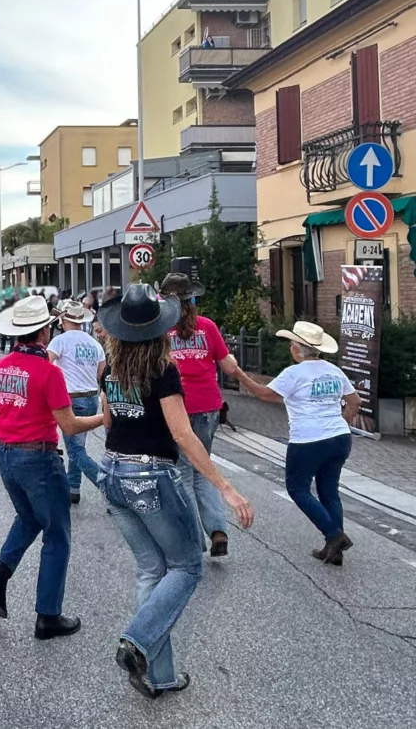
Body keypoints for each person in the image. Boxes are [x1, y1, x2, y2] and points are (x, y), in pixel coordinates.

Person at [95, 285, 254, 698]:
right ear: (158, 330)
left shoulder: (109, 370)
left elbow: (110, 425)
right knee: (187, 567)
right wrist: (226, 488)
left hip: (112, 473)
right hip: (150, 476)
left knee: (152, 570)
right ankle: (136, 641)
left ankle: (160, 674)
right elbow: (183, 435)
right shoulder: (163, 373)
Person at [0, 295, 104, 639]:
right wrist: (104, 418)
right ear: (44, 333)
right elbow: (71, 426)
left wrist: (3, 449)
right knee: (57, 534)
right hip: (40, 457)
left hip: (6, 454)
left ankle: (0, 574)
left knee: (30, 517)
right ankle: (48, 615)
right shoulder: (49, 373)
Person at [236, 321, 359, 565]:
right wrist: (341, 423)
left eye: (292, 343)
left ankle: (334, 536)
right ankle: (334, 549)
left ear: (297, 349)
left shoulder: (294, 373)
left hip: (308, 439)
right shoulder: (333, 370)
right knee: (329, 490)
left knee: (298, 488)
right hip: (339, 438)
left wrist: (238, 373)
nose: (291, 347)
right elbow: (354, 401)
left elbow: (264, 394)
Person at [159, 273, 242, 557]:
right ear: (192, 300)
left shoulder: (161, 331)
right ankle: (218, 529)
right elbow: (228, 366)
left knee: (182, 473)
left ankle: (192, 538)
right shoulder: (207, 327)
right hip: (209, 408)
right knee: (203, 469)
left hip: (177, 408)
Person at [47, 300, 107, 504]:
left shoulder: (60, 341)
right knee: (78, 447)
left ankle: (108, 486)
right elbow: (102, 374)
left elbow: (46, 364)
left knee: (75, 450)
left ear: (63, 320)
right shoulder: (94, 343)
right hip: (91, 398)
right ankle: (73, 488)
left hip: (70, 399)